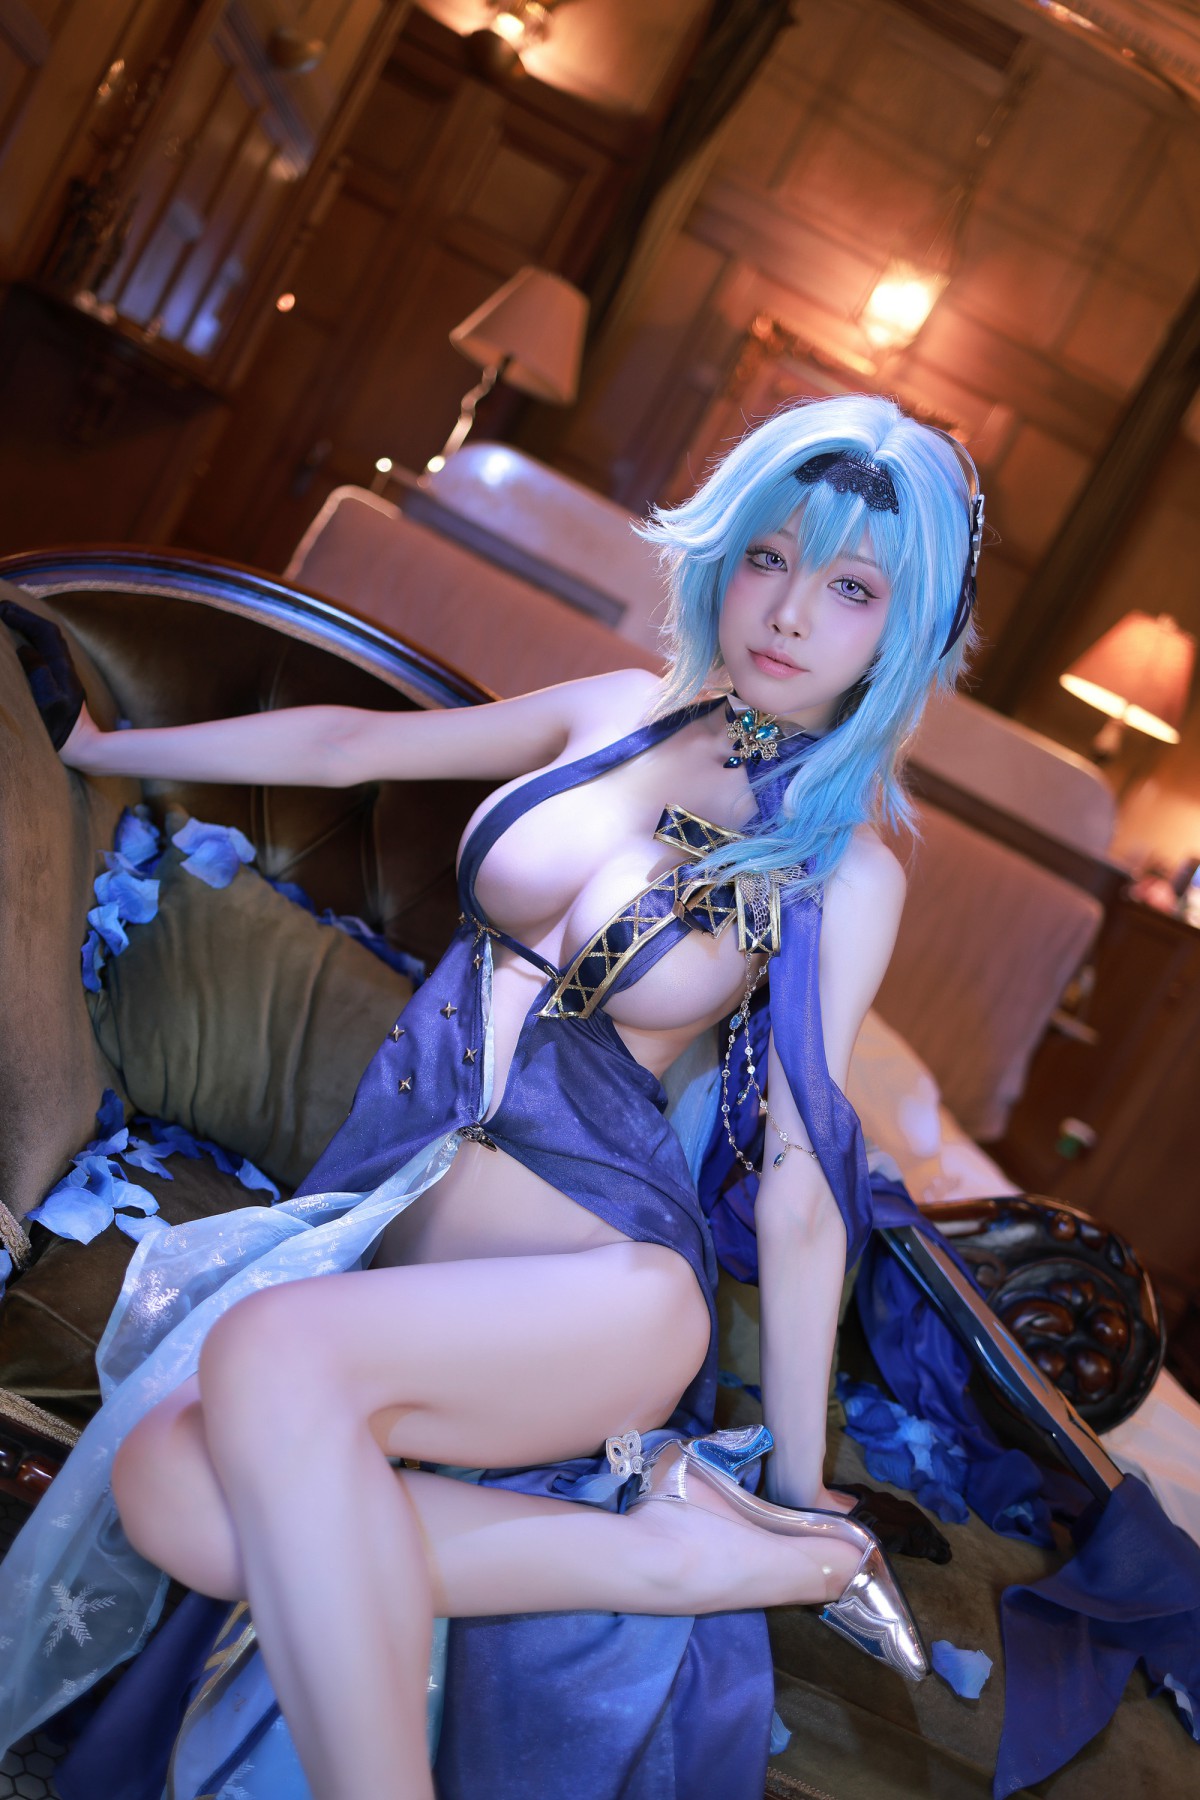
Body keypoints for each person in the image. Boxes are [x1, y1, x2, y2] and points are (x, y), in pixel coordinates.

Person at [0, 393, 982, 1800]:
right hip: (403, 1233)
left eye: (851, 589)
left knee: (265, 1358)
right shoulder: (617, 710)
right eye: (770, 558)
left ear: (902, 631)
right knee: (163, 1476)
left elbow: (801, 1183)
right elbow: (351, 749)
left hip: (606, 1286)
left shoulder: (844, 868)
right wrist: (96, 749)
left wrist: (800, 1478)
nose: (787, 613)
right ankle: (663, 1556)